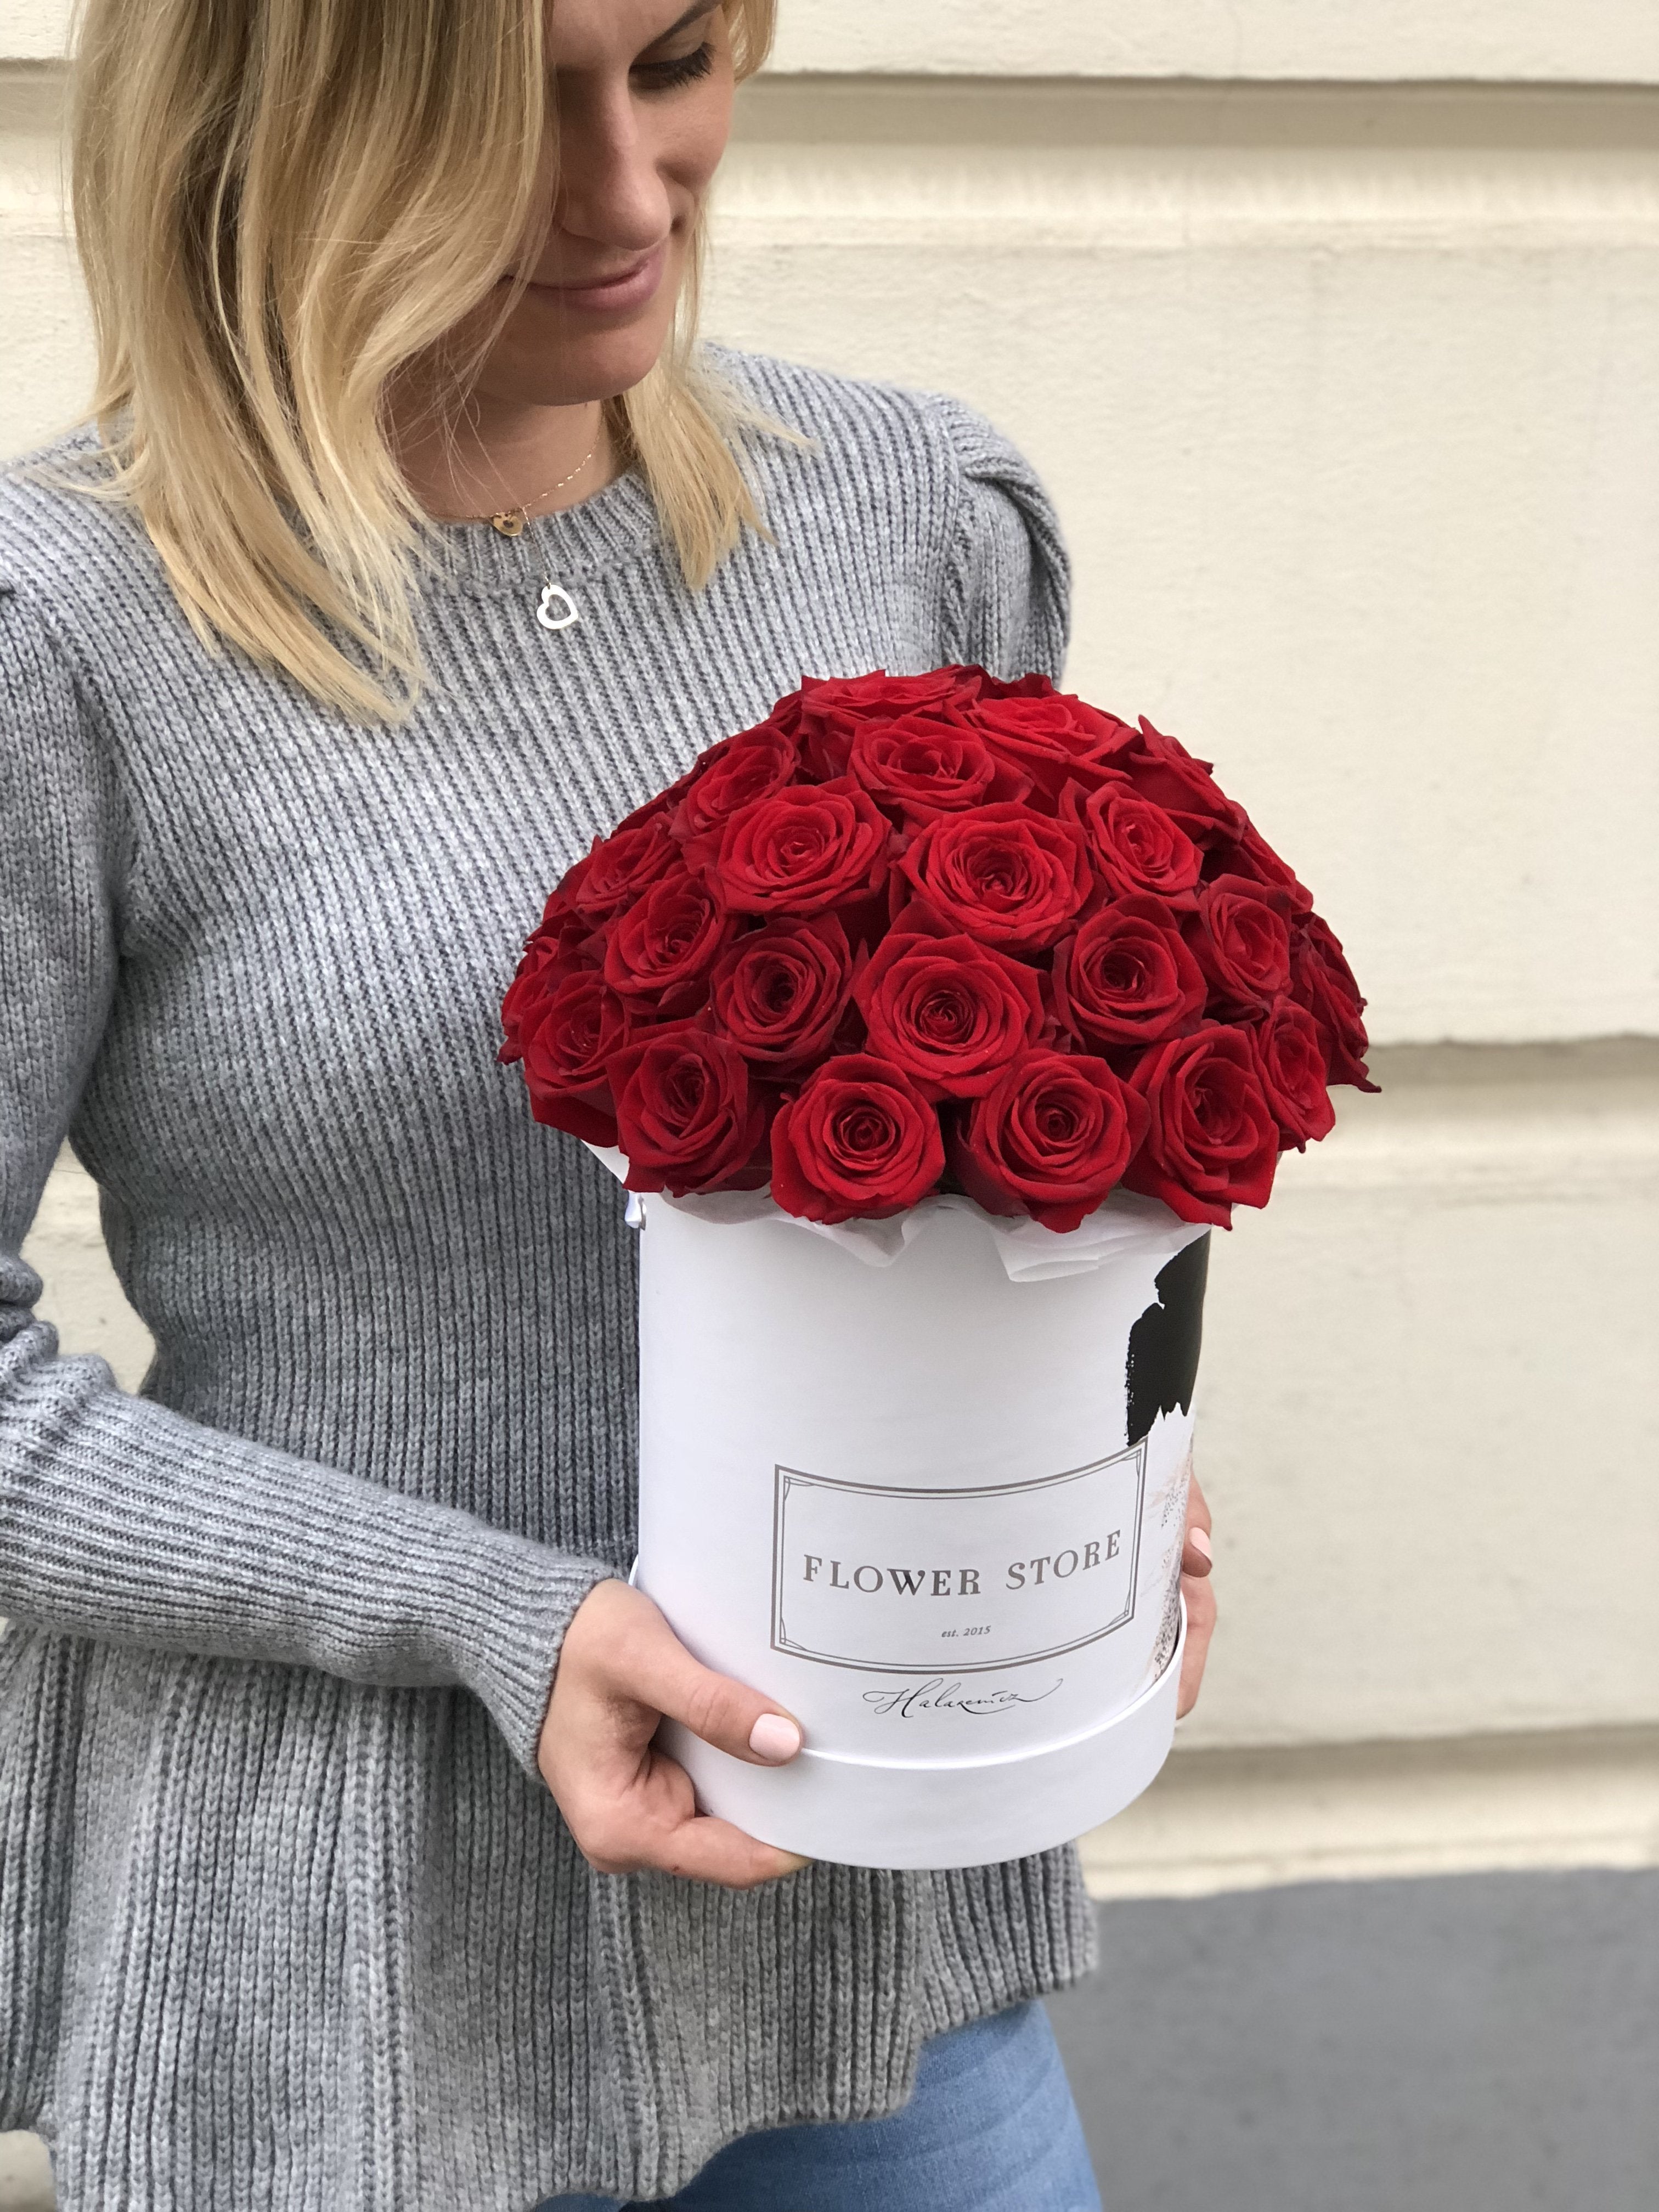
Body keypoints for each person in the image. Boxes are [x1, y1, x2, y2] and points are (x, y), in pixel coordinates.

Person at [0, 1, 1217, 2204]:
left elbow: (1061, 1152)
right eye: (497, 122)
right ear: (278, 125)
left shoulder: (917, 522)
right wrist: (496, 1607)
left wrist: (1110, 1483)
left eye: (669, 61)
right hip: (347, 1977)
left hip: (866, 1948)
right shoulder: (58, 638)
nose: (630, 192)